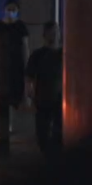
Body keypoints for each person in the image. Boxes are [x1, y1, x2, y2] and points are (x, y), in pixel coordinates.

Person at [0, 0, 30, 159]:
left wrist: (27, 63)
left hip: (16, 65)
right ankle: (5, 124)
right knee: (1, 93)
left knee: (14, 93)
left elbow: (25, 45)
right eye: (9, 9)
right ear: (4, 9)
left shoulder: (21, 26)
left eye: (14, 9)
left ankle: (10, 120)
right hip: (1, 64)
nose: (11, 11)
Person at [29, 21, 64, 160]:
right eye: (51, 32)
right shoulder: (38, 54)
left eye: (56, 32)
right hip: (43, 97)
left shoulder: (64, 54)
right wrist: (29, 93)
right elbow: (29, 76)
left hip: (60, 99)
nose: (54, 35)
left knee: (59, 129)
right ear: (44, 35)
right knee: (42, 130)